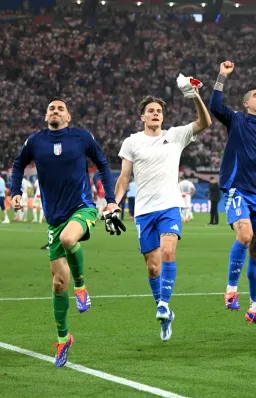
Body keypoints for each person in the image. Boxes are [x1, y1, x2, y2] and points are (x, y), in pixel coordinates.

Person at [10, 98, 123, 367]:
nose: (55, 110)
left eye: (60, 108)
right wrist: (15, 192)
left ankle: (82, 286)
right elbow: (17, 165)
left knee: (68, 238)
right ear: (45, 115)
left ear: (68, 116)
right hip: (54, 218)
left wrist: (110, 198)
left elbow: (104, 164)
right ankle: (63, 338)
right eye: (51, 108)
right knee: (59, 283)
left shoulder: (82, 137)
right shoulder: (35, 141)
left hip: (82, 207)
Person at [114, 75, 211, 341]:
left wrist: (194, 95)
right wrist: (115, 202)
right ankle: (164, 311)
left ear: (163, 117)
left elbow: (205, 122)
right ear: (142, 117)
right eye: (151, 111)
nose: (155, 114)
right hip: (144, 211)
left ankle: (164, 304)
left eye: (159, 111)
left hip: (169, 206)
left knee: (169, 251)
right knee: (152, 268)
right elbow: (124, 177)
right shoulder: (131, 141)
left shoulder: (176, 136)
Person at [209, 60, 256, 331]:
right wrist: (221, 76)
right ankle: (230, 289)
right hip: (239, 190)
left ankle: (254, 309)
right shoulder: (238, 121)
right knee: (244, 235)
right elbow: (215, 107)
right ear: (246, 104)